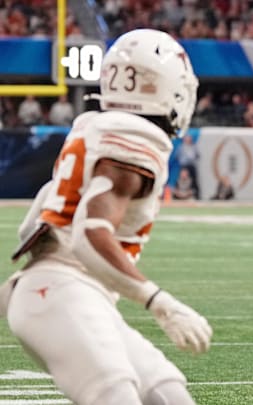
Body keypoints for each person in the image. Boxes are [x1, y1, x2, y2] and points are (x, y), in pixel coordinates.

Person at [0, 29, 211, 405]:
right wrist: (159, 302)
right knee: (116, 394)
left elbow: (32, 224)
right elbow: (88, 233)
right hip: (63, 292)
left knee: (168, 393)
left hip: (69, 293)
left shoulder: (94, 128)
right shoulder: (135, 142)